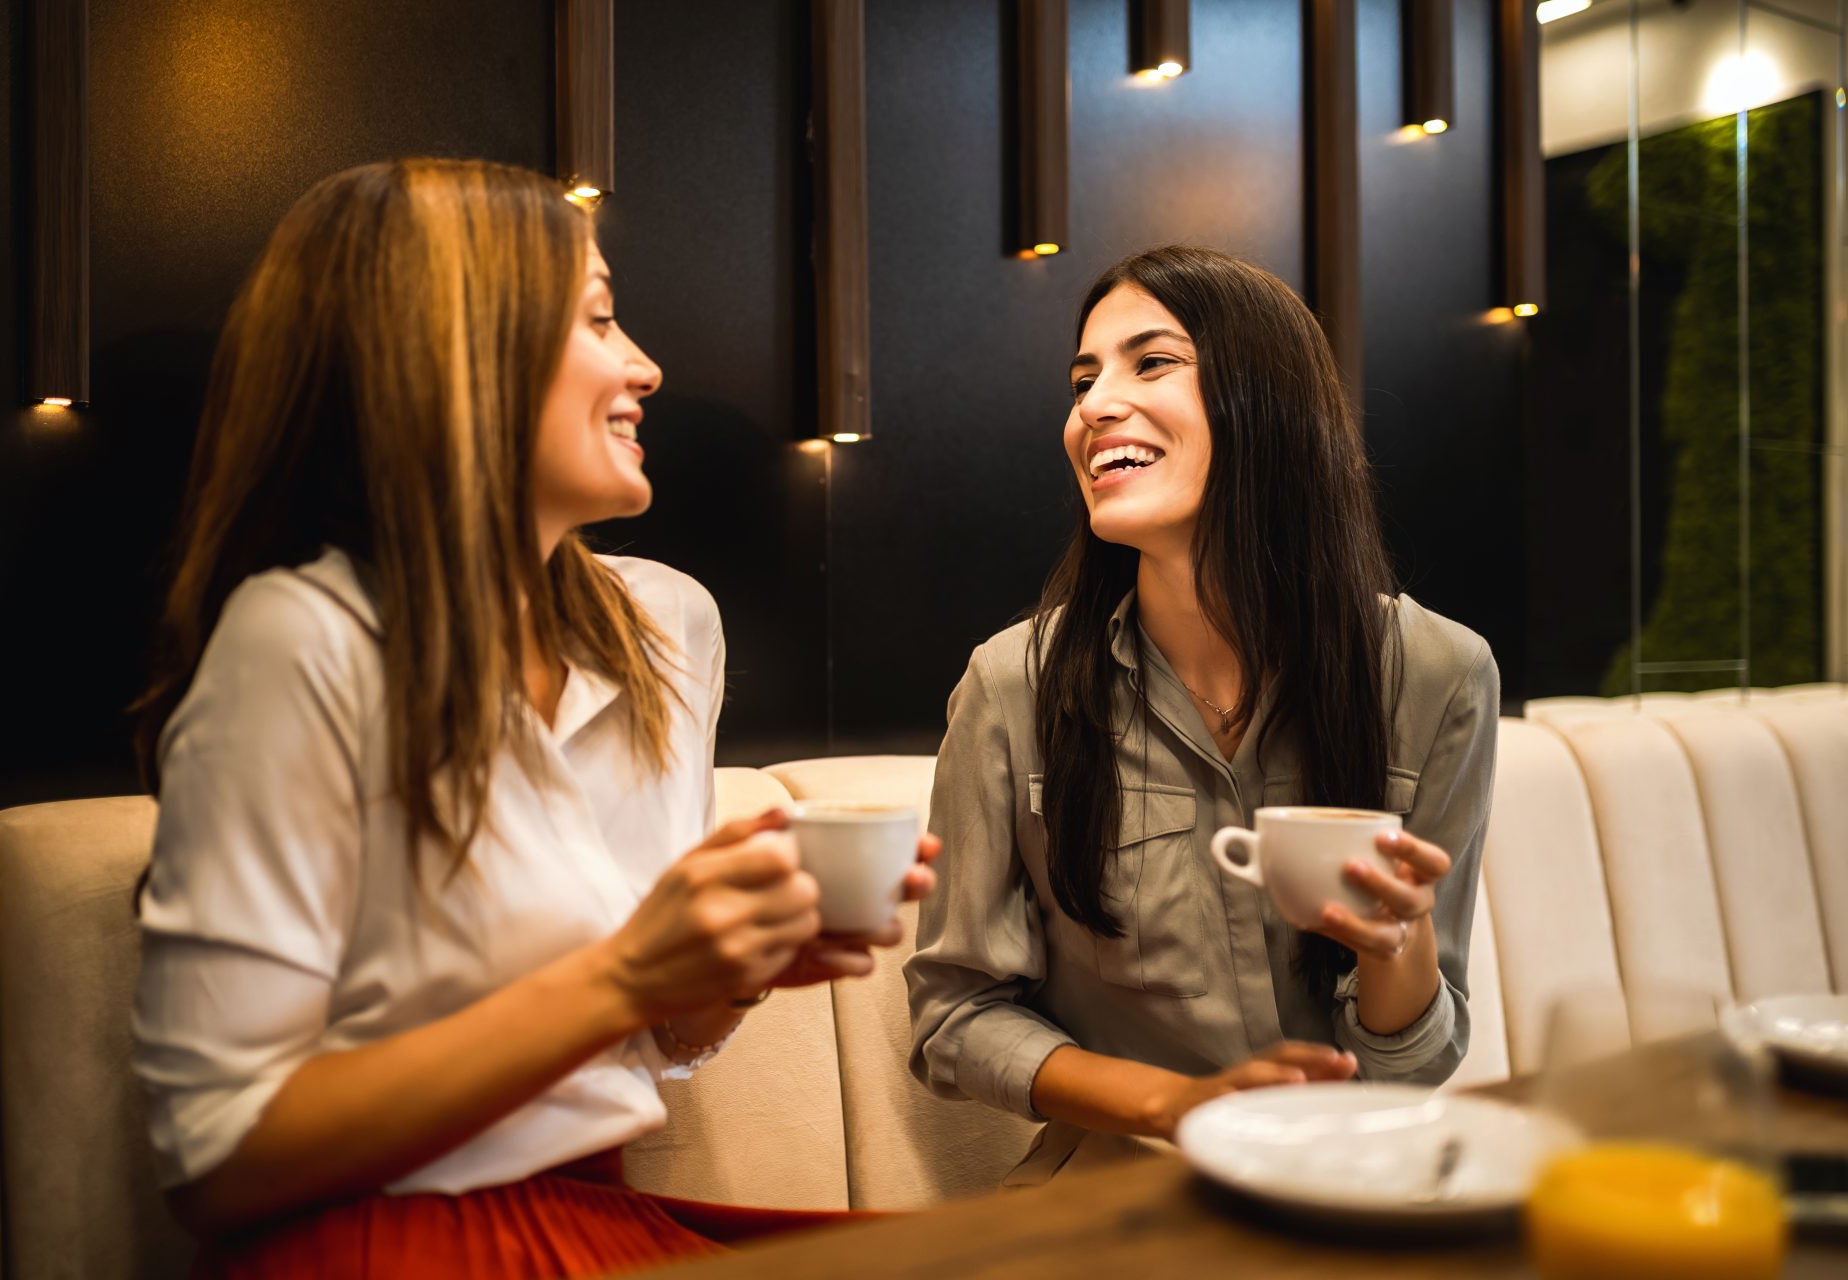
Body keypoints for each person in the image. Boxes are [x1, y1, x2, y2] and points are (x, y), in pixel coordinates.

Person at [131, 158, 933, 1278]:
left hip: (597, 1216)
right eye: (600, 318)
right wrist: (628, 973)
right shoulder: (301, 637)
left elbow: (650, 1048)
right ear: (458, 355)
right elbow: (216, 1156)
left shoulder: (665, 629)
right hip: (376, 1235)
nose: (646, 364)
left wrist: (724, 973)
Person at [906, 245, 1499, 1185]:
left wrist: (1402, 937)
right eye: (1082, 378)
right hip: (1123, 1191)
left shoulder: (1437, 675)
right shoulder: (1011, 683)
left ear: (1267, 402)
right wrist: (1170, 1105)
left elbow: (1414, 1062)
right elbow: (955, 1017)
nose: (1094, 404)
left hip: (1348, 1178)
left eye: (1151, 362)